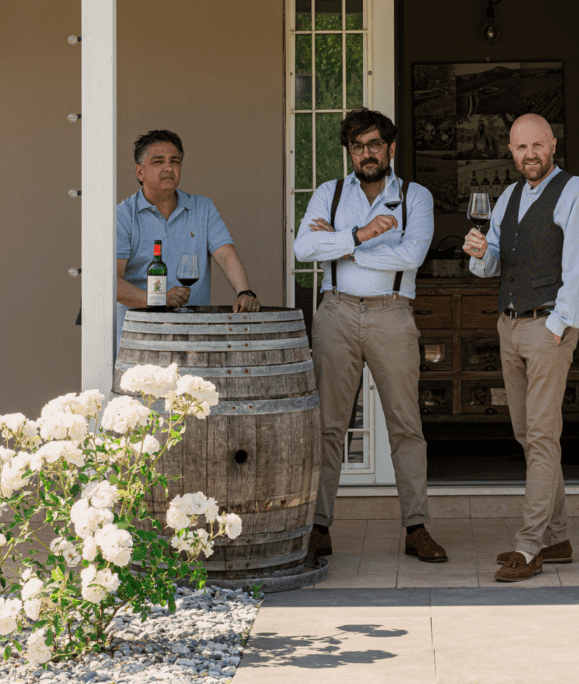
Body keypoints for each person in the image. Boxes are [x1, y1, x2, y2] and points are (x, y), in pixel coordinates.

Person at [294, 108, 448, 563]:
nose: (367, 153)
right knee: (328, 426)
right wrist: (362, 234)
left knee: (406, 425)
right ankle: (319, 527)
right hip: (336, 313)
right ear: (350, 151)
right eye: (358, 146)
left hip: (392, 314)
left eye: (374, 144)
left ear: (391, 148)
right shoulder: (331, 192)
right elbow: (304, 247)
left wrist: (344, 247)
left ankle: (416, 527)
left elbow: (413, 254)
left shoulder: (415, 196)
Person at [463, 114, 579, 582]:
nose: (530, 154)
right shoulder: (508, 196)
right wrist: (479, 254)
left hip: (547, 327)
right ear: (511, 151)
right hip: (510, 325)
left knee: (541, 437)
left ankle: (530, 544)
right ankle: (558, 537)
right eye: (521, 147)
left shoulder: (575, 190)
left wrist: (559, 325)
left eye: (538, 145)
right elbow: (493, 263)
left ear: (553, 145)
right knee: (526, 435)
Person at [115, 129, 260, 352]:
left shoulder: (203, 208)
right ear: (139, 172)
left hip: (194, 336)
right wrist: (158, 299)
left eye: (175, 161)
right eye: (157, 161)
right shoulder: (122, 216)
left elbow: (225, 254)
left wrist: (244, 291)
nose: (168, 168)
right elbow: (111, 283)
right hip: (140, 337)